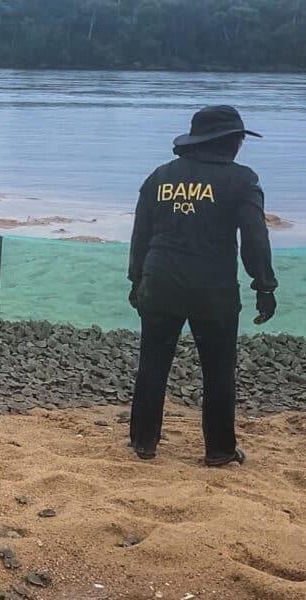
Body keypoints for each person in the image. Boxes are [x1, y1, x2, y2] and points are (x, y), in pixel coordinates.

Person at [127, 105, 277, 466]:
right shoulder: (243, 180)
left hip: (159, 281)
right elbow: (255, 237)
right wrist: (265, 285)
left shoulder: (160, 176)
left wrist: (136, 280)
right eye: (240, 138)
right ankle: (220, 450)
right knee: (219, 369)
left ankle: (143, 443)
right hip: (214, 291)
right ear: (232, 142)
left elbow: (141, 235)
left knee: (152, 363)